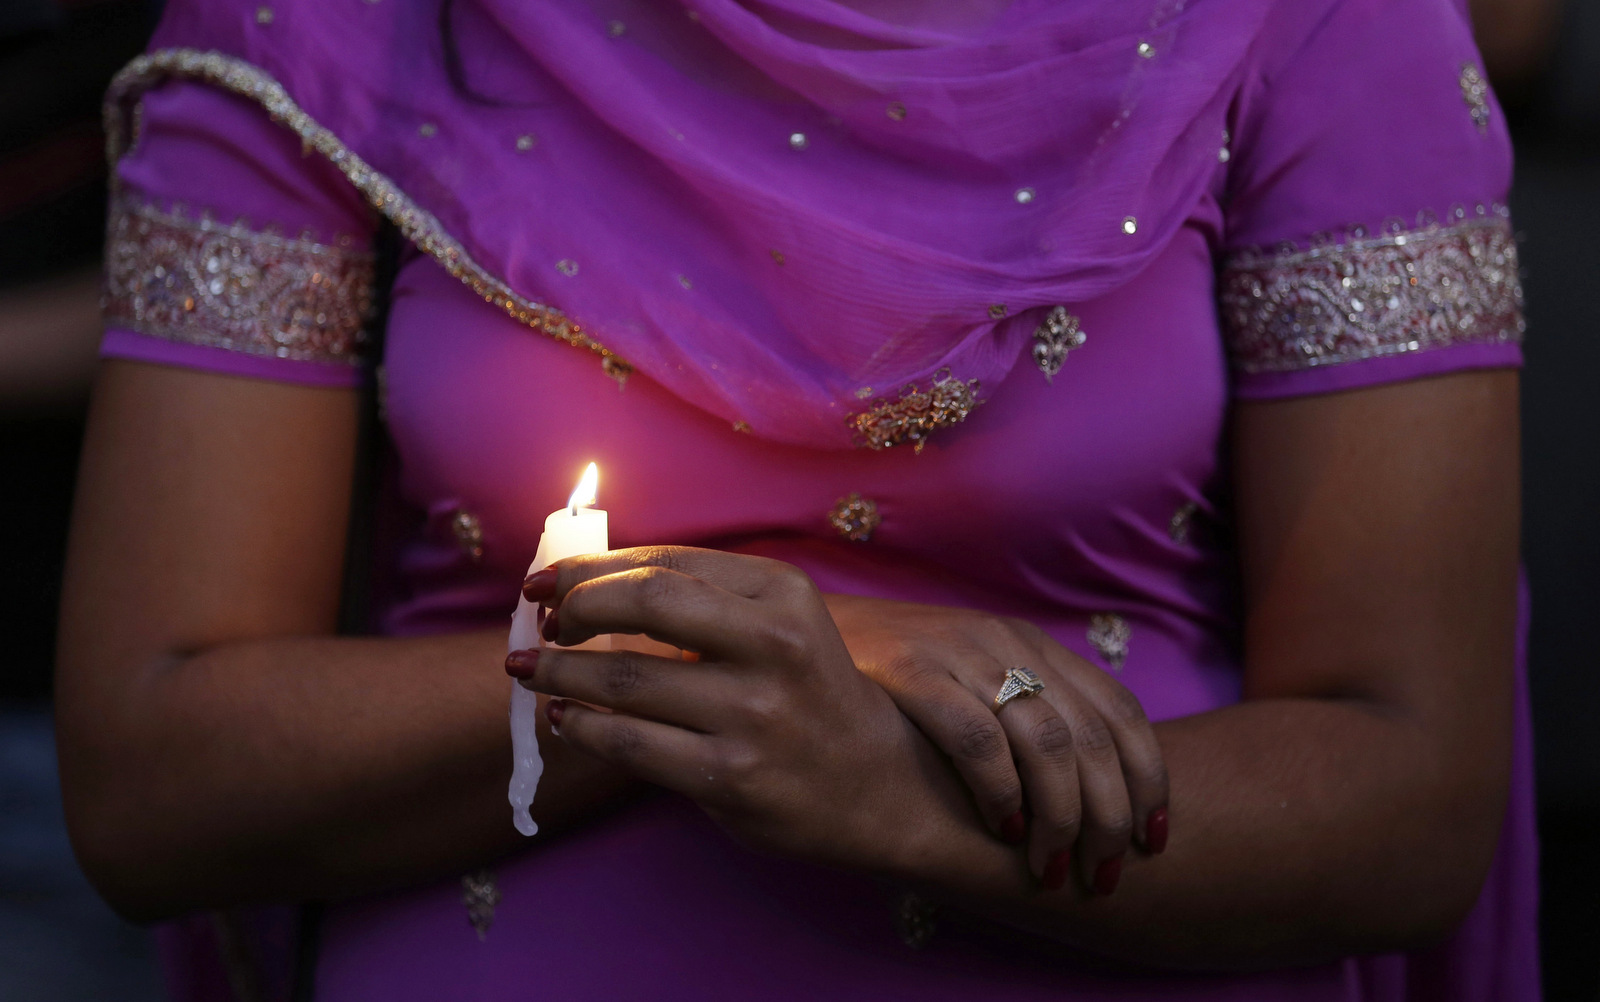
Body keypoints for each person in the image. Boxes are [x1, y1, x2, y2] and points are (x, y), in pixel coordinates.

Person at [56, 0, 1537, 998]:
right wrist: (788, 647)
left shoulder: (1315, 26)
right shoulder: (340, 28)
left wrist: (885, 779)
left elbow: (1409, 795)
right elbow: (156, 778)